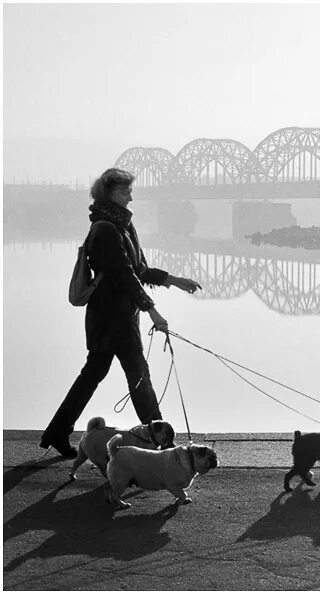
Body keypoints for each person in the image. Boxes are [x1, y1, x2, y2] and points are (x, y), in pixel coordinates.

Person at [39, 168, 203, 458]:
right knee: (138, 375)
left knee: (94, 375)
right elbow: (123, 275)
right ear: (109, 193)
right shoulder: (104, 229)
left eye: (129, 190)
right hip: (110, 318)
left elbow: (139, 269)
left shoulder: (124, 226)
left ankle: (57, 432)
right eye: (124, 190)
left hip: (120, 316)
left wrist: (175, 281)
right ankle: (161, 442)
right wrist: (153, 312)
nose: (131, 195)